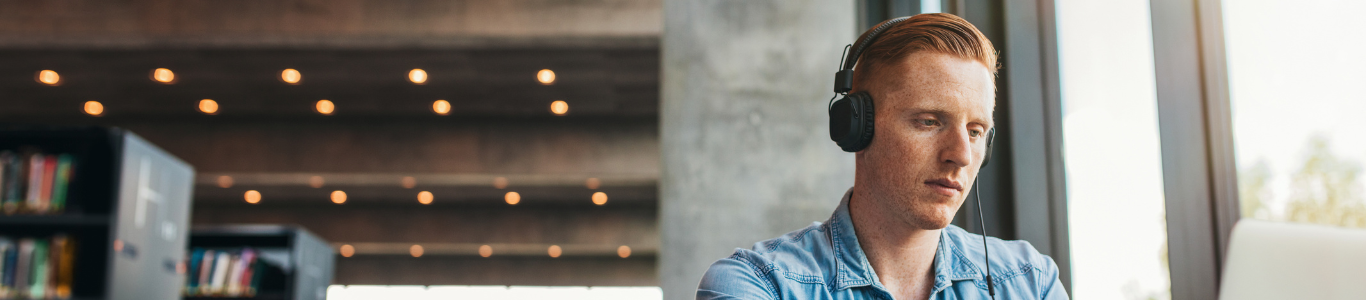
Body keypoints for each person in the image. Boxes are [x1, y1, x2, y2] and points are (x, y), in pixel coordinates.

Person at [695, 13, 1068, 300]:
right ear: (857, 127)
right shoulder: (757, 284)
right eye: (929, 121)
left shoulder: (1028, 280)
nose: (961, 155)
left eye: (975, 131)